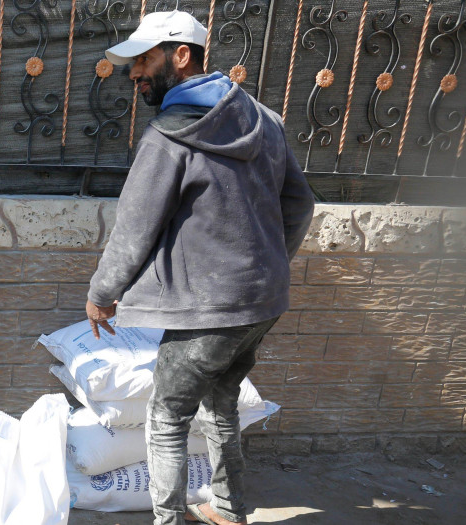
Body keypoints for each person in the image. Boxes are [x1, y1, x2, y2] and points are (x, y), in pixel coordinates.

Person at [85, 10, 315, 525]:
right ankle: (230, 509)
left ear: (180, 55)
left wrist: (102, 293)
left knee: (166, 418)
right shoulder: (267, 120)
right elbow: (300, 206)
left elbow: (135, 226)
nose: (134, 73)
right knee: (221, 403)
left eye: (143, 59)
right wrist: (269, 263)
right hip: (262, 301)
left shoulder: (168, 136)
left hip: (207, 310)